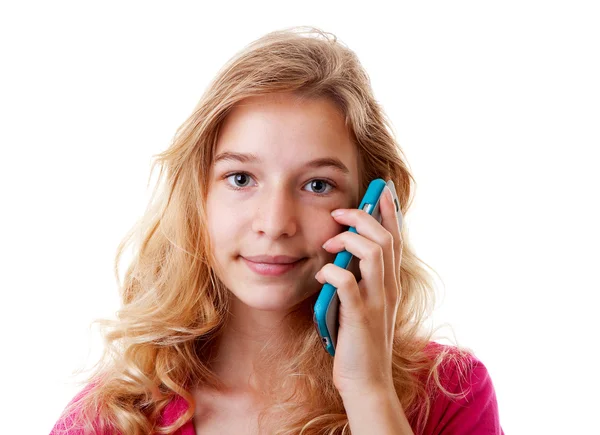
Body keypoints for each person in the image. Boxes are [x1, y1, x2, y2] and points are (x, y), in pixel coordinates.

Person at [51, 26, 503, 435]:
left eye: (317, 185)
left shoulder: (450, 395)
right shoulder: (111, 418)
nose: (274, 224)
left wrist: (368, 392)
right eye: (241, 179)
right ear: (197, 196)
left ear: (372, 210)